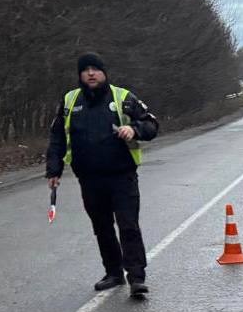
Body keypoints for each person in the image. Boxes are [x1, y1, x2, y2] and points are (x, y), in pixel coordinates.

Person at [45, 53, 159, 296]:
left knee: (128, 226)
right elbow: (57, 137)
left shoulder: (123, 98)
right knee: (102, 227)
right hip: (89, 178)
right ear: (80, 75)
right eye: (85, 70)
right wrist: (53, 169)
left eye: (95, 69)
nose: (90, 73)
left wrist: (134, 128)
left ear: (104, 72)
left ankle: (136, 278)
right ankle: (114, 272)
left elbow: (151, 124)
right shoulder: (69, 101)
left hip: (122, 175)